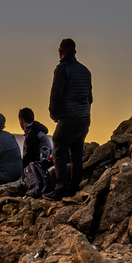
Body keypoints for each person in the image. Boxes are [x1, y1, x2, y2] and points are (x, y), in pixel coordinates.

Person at [48, 37, 92, 199]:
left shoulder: (62, 69)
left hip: (69, 116)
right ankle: (75, 186)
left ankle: (61, 189)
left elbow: (56, 95)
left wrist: (54, 114)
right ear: (74, 52)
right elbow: (90, 97)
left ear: (60, 52)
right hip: (84, 117)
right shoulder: (86, 71)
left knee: (59, 148)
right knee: (77, 152)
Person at [18, 107, 55, 197]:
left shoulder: (32, 133)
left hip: (39, 170)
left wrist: (17, 168)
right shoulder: (37, 131)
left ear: (21, 120)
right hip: (45, 166)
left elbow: (29, 156)